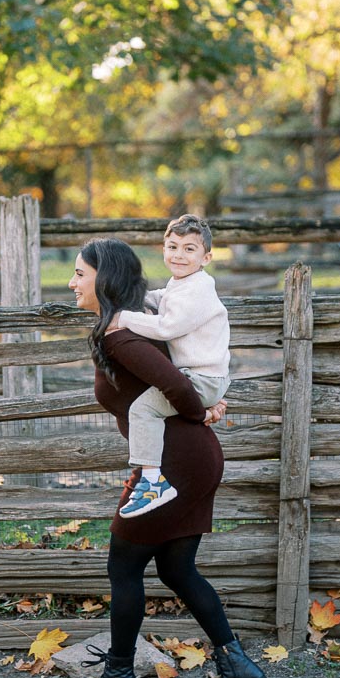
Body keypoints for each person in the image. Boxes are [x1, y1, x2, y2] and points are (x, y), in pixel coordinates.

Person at [62, 238, 274, 678]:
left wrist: (202, 410)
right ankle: (238, 670)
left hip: (178, 466)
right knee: (177, 571)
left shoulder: (122, 335)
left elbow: (179, 386)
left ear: (105, 278)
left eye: (80, 273)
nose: (72, 283)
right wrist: (204, 409)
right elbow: (180, 377)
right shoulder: (123, 328)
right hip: (187, 460)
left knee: (124, 564)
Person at [115, 214, 230, 519]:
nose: (179, 255)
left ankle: (153, 482)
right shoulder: (183, 283)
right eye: (172, 246)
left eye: (189, 249)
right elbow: (162, 299)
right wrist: (134, 299)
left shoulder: (198, 289)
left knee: (143, 409)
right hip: (202, 376)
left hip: (201, 378)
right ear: (163, 248)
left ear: (206, 257)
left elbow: (167, 327)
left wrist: (122, 318)